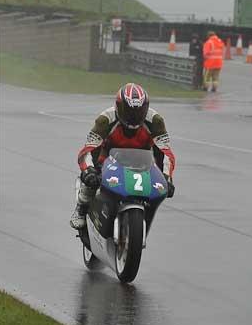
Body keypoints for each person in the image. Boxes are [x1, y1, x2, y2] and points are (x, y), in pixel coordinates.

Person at [70, 83, 176, 230]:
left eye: (139, 112)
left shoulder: (155, 121)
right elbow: (88, 149)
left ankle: (142, 219)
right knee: (91, 182)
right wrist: (88, 170)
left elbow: (165, 152)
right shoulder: (105, 119)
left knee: (157, 191)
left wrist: (167, 177)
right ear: (118, 107)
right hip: (108, 160)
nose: (133, 117)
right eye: (129, 111)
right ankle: (81, 208)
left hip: (142, 162)